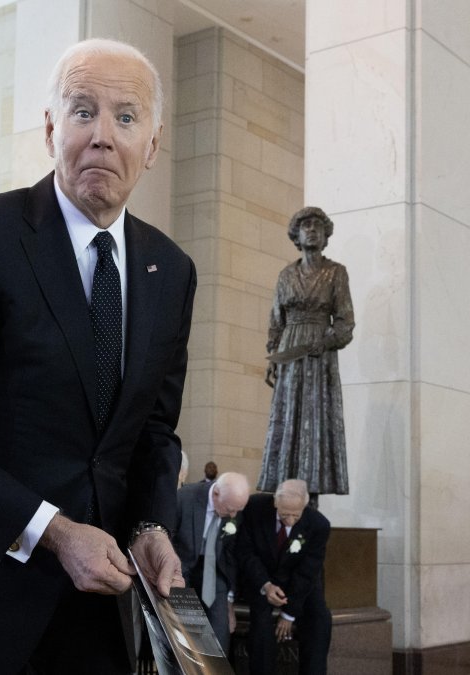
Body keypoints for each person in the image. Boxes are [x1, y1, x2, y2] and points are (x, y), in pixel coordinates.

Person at [0, 38, 196, 674]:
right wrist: (55, 534)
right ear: (51, 128)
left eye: (127, 117)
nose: (103, 136)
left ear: (155, 145)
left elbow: (154, 433)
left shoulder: (171, 269)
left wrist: (150, 526)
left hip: (98, 614)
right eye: (82, 112)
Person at [258, 207, 354, 498]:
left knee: (314, 417)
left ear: (325, 235)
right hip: (290, 353)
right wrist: (273, 355)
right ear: (296, 235)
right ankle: (285, 491)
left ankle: (310, 490)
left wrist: (324, 342)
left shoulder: (335, 272)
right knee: (288, 417)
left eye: (317, 226)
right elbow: (276, 319)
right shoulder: (286, 274)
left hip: (318, 357)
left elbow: (346, 321)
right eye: (306, 225)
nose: (311, 229)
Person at [235, 479, 332, 675]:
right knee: (261, 623)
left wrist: (289, 613)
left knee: (320, 619)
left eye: (295, 516)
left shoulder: (319, 525)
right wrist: (265, 585)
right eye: (284, 514)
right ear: (275, 502)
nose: (289, 521)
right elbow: (245, 552)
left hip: (298, 582)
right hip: (261, 578)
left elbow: (308, 571)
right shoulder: (254, 508)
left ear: (305, 505)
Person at [174, 472, 251, 652]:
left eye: (238, 511)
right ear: (216, 494)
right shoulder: (185, 498)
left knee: (220, 628)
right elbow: (168, 536)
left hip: (214, 568)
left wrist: (230, 598)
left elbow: (230, 553)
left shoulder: (234, 508)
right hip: (181, 566)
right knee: (189, 629)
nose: (233, 515)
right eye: (230, 509)